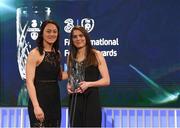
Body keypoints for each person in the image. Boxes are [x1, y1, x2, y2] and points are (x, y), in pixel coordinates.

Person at [67, 26, 110, 127]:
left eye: (81, 35)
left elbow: (106, 80)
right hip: (75, 99)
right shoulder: (70, 56)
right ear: (72, 40)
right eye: (75, 37)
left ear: (86, 37)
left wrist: (88, 84)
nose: (78, 39)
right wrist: (69, 85)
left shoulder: (96, 54)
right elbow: (71, 77)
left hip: (91, 98)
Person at [26, 20, 63, 127]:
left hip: (55, 101)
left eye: (55, 31)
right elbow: (29, 82)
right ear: (42, 33)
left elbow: (59, 76)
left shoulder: (57, 53)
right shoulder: (34, 54)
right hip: (39, 100)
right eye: (48, 31)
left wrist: (78, 69)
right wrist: (36, 106)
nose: (52, 34)